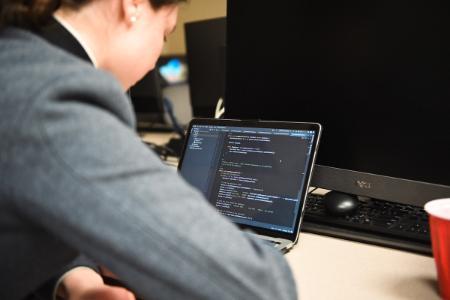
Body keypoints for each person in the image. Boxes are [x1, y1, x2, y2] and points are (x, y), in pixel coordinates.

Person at [0, 0, 297, 299]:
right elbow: (258, 287)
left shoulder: (16, 63)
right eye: (164, 34)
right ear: (133, 5)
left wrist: (78, 281)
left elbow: (31, 204)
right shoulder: (53, 99)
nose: (155, 61)